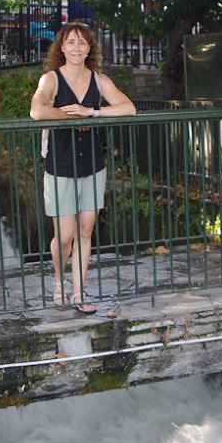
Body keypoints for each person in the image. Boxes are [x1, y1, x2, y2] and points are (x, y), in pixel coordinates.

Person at [30, 23, 136, 314]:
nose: (76, 48)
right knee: (64, 236)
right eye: (71, 42)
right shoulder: (51, 79)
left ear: (90, 48)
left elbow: (128, 107)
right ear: (61, 47)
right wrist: (70, 118)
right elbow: (37, 111)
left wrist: (92, 112)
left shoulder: (98, 80)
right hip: (60, 164)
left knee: (85, 229)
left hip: (92, 164)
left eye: (82, 43)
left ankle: (78, 292)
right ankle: (58, 280)